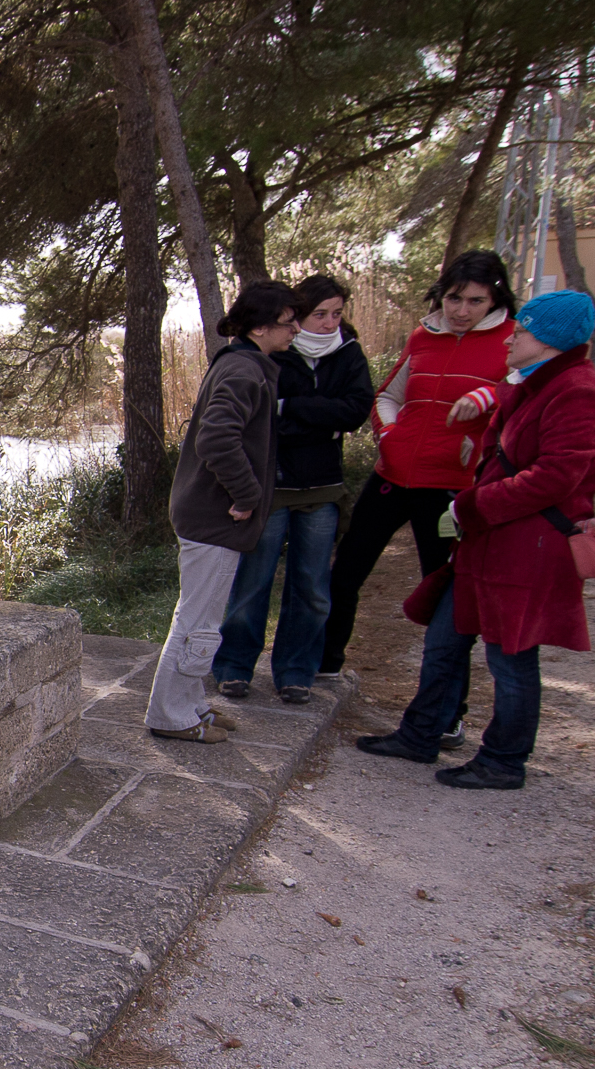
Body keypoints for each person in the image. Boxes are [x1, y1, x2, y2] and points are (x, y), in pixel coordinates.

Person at [354, 289, 595, 789]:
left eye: (526, 330)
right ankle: (421, 733)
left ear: (552, 341)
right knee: (445, 637)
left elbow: (558, 476)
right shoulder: (532, 382)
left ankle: (504, 760)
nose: (512, 335)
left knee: (510, 656)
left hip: (527, 547)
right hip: (487, 540)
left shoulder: (576, 389)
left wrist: (472, 504)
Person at [320, 250, 517, 746]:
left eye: (475, 301)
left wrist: (488, 402)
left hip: (451, 489)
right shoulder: (422, 336)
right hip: (392, 476)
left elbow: (521, 394)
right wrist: (388, 435)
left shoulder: (512, 340)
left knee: (447, 600)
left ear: (494, 299)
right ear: (440, 295)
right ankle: (324, 668)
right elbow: (387, 394)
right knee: (344, 574)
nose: (461, 310)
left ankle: (448, 714)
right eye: (454, 298)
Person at [212, 275, 373, 705]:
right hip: (274, 485)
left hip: (323, 486)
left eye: (336, 314)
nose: (327, 323)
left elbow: (356, 411)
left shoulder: (349, 353)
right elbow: (265, 423)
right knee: (253, 582)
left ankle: (296, 672)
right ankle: (233, 667)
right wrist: (323, 421)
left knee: (312, 588)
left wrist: (297, 409)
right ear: (296, 316)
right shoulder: (272, 354)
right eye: (318, 314)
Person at [146, 281, 296, 743]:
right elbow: (216, 437)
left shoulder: (242, 364)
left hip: (209, 516)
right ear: (261, 327)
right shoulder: (243, 372)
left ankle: (190, 704)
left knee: (201, 618)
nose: (295, 332)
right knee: (195, 621)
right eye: (288, 324)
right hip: (215, 517)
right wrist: (248, 495)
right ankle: (171, 716)